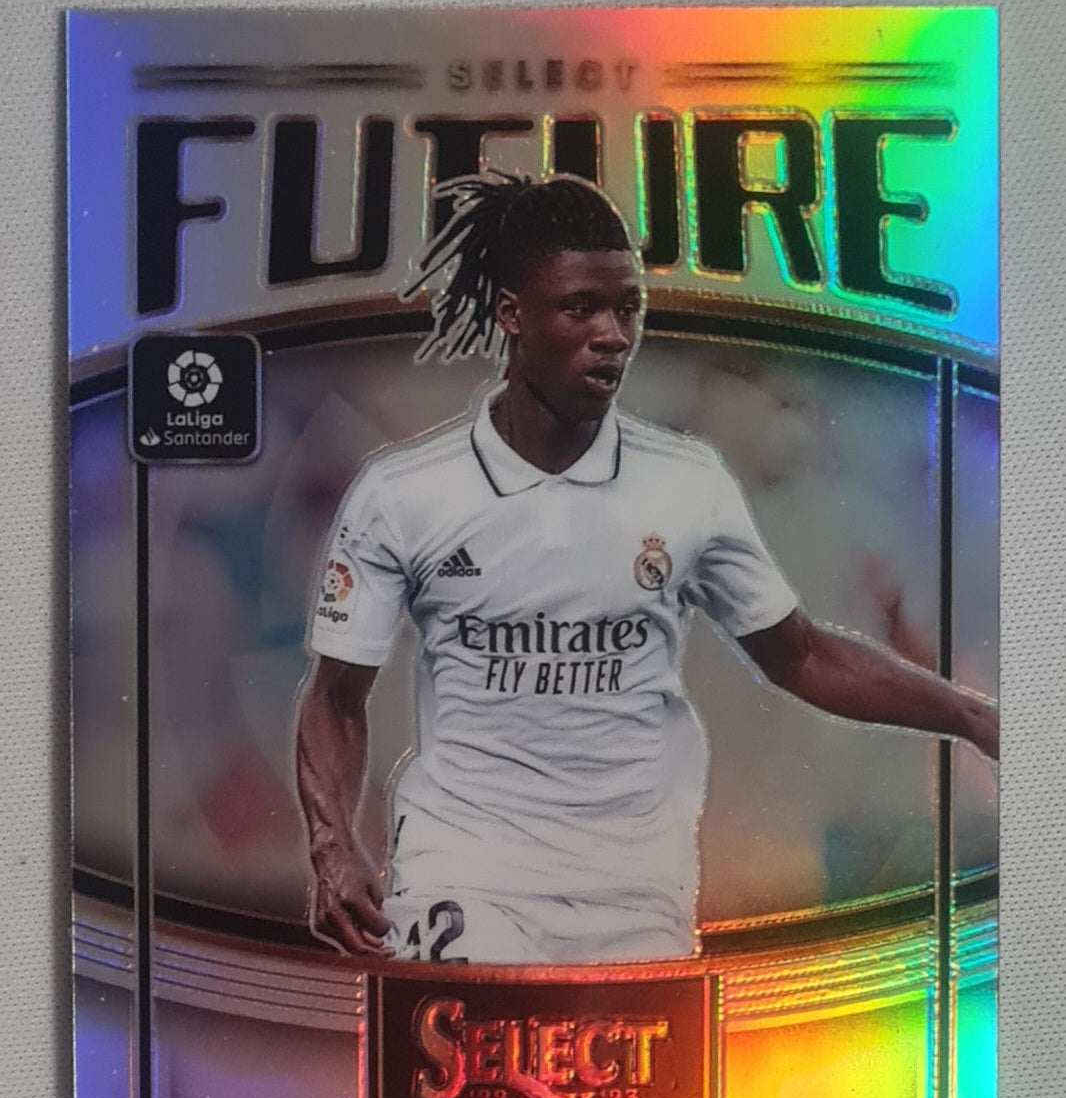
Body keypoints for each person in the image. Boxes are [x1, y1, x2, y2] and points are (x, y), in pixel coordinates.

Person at [296, 172, 997, 965]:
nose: (613, 335)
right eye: (581, 309)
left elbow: (801, 654)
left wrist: (972, 716)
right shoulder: (404, 493)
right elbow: (335, 696)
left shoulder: (685, 483)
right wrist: (333, 845)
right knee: (478, 1028)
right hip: (465, 872)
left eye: (627, 308)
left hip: (634, 891)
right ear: (512, 315)